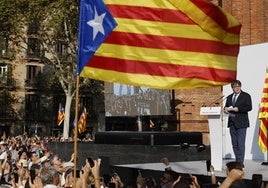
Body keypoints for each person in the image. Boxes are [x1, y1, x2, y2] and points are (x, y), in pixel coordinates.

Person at [224, 80, 252, 167]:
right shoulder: (229, 97)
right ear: (232, 88)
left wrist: (238, 109)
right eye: (235, 87)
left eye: (238, 86)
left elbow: (249, 107)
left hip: (242, 123)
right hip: (232, 123)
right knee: (234, 144)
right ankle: (237, 161)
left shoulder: (246, 96)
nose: (237, 88)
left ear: (240, 87)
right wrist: (225, 109)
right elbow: (226, 107)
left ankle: (240, 163)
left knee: (240, 144)